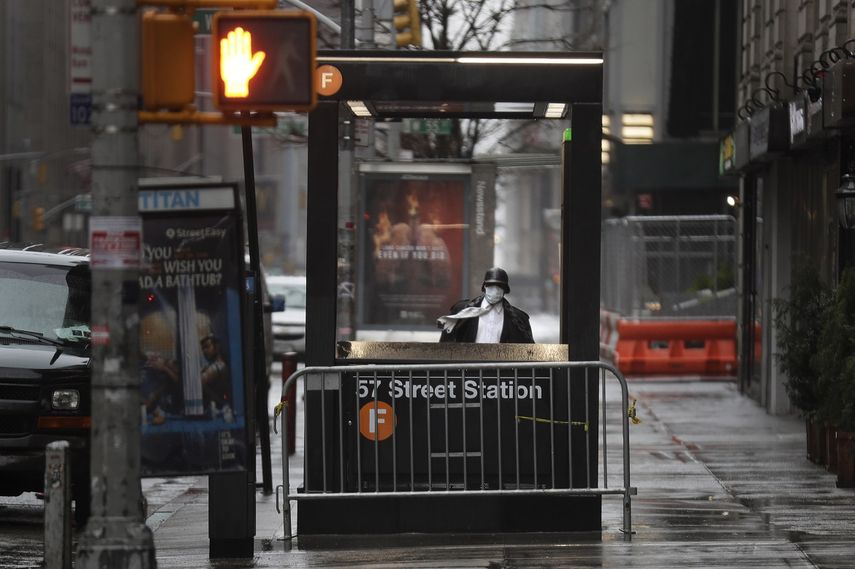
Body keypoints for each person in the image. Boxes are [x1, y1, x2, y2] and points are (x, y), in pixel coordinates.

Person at [437, 267, 535, 343]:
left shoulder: (519, 319)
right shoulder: (461, 311)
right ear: (484, 286)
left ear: (505, 289)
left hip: (500, 368)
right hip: (468, 368)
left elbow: (528, 352)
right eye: (491, 285)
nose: (495, 289)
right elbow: (445, 346)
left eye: (500, 286)